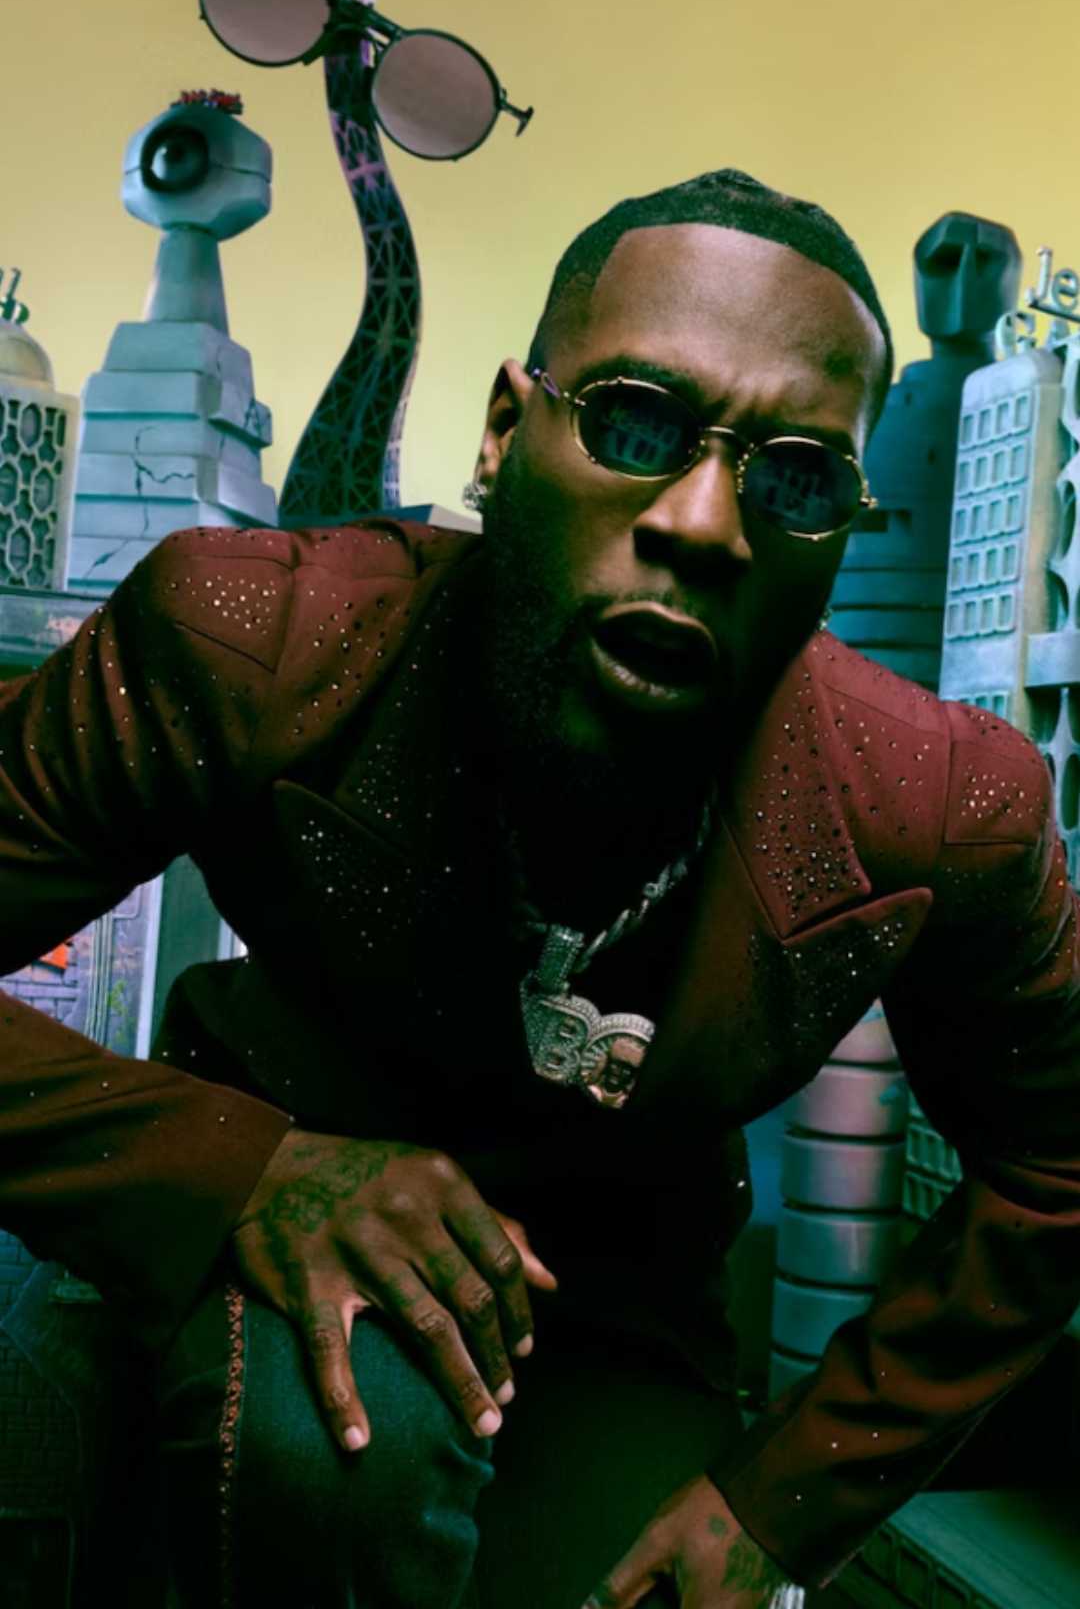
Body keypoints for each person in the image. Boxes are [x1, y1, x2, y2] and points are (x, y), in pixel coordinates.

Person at [3, 167, 1080, 1609]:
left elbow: (1060, 1162)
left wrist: (786, 1498)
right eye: (636, 422)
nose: (704, 523)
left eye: (796, 477)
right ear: (506, 432)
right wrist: (235, 1165)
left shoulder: (940, 803)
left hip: (621, 1312)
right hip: (252, 1209)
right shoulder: (251, 636)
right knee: (323, 1456)